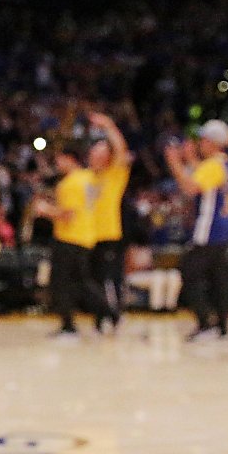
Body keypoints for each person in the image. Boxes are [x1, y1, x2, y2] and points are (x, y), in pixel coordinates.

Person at [165, 120, 228, 339]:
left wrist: (174, 162)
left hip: (208, 231)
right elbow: (200, 175)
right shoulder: (221, 164)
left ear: (213, 143)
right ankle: (221, 327)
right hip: (221, 232)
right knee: (218, 280)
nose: (199, 143)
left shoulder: (214, 165)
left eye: (203, 140)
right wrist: (189, 159)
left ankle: (206, 324)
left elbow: (191, 187)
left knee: (189, 272)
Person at [36, 144, 105, 338]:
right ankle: (108, 311)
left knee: (61, 283)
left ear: (70, 159)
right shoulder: (88, 178)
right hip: (86, 236)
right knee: (82, 282)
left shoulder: (70, 183)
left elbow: (67, 214)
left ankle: (69, 326)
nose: (57, 164)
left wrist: (45, 210)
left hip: (69, 238)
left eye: (59, 159)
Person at [85, 111, 131, 333]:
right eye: (95, 152)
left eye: (102, 153)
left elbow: (121, 150)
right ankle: (99, 318)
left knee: (110, 280)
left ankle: (114, 317)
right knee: (92, 281)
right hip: (87, 236)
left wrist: (109, 125)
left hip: (109, 235)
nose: (98, 157)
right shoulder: (85, 177)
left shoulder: (114, 175)